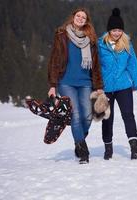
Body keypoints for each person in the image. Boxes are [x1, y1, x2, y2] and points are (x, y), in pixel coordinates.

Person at [47, 8, 103, 164]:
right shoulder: (62, 35)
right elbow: (54, 60)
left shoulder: (90, 39)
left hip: (85, 83)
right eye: (78, 16)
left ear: (86, 21)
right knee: (76, 115)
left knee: (87, 116)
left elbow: (96, 65)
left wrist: (98, 85)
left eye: (83, 17)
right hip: (66, 82)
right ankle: (83, 150)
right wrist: (52, 85)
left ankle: (78, 139)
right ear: (73, 17)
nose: (80, 18)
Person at [97, 8, 137, 160]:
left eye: (119, 30)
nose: (117, 33)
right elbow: (95, 68)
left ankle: (134, 147)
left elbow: (134, 69)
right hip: (105, 89)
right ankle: (108, 148)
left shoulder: (127, 46)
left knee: (128, 115)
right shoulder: (100, 46)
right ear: (109, 30)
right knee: (107, 118)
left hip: (124, 87)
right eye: (114, 30)